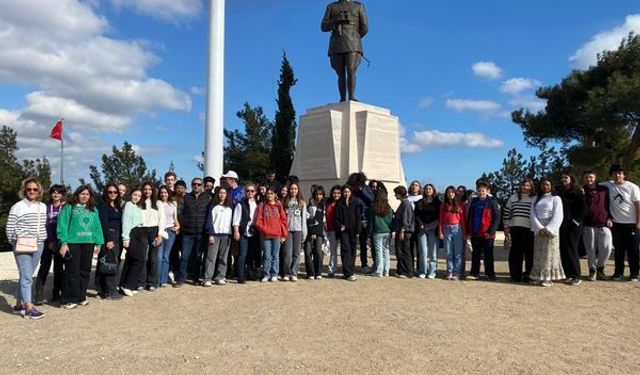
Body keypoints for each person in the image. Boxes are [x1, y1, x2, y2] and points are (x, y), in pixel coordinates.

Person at [57, 185, 104, 309]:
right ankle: (68, 299)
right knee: (72, 271)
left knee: (85, 271)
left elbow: (97, 227)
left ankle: (81, 296)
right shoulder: (69, 207)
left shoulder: (93, 209)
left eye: (87, 194)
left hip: (88, 243)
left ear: (90, 196)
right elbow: (62, 225)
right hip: (73, 243)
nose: (85, 196)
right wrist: (64, 242)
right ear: (77, 194)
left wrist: (98, 242)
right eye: (82, 193)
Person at [6, 177, 47, 319]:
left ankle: (18, 305)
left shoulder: (42, 206)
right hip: (21, 244)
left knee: (27, 275)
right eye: (29, 189)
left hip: (38, 243)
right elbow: (10, 227)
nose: (32, 191)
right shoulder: (18, 206)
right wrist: (14, 242)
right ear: (25, 190)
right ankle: (29, 307)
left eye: (35, 189)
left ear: (39, 190)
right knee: (27, 276)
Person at [321, 0, 368, 102]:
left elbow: (364, 27)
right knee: (340, 72)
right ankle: (342, 98)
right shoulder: (332, 7)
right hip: (336, 43)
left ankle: (351, 96)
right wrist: (335, 20)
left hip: (353, 42)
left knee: (351, 69)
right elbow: (323, 26)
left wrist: (354, 36)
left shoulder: (358, 6)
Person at [601, 164, 640, 281]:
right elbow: (593, 185)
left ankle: (634, 273)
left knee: (633, 250)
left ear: (624, 174)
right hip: (617, 224)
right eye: (615, 173)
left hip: (632, 224)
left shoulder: (632, 187)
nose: (617, 175)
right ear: (611, 175)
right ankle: (618, 273)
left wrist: (638, 222)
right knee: (618, 250)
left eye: (620, 173)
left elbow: (638, 206)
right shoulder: (608, 185)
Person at [34, 184, 66, 305]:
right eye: (54, 192)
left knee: (58, 268)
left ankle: (56, 294)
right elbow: (44, 224)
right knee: (44, 268)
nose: (56, 194)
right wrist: (50, 240)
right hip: (47, 241)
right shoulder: (45, 207)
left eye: (59, 192)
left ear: (62, 194)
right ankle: (38, 294)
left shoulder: (66, 207)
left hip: (60, 241)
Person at [175, 178, 211, 287]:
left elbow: (210, 214)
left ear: (202, 186)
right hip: (188, 232)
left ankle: (196, 278)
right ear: (191, 185)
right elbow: (179, 213)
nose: (196, 186)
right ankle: (181, 279)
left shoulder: (208, 198)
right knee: (185, 256)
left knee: (197, 256)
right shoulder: (185, 198)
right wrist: (184, 224)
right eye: (194, 184)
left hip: (201, 233)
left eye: (199, 184)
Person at [530, 179, 565, 287]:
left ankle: (548, 278)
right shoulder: (536, 198)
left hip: (551, 228)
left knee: (549, 254)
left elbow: (558, 215)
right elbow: (532, 213)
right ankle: (539, 276)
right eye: (543, 185)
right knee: (539, 254)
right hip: (539, 228)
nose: (545, 186)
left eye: (547, 184)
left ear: (551, 186)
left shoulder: (556, 199)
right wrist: (539, 228)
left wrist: (548, 228)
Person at [466, 181, 500, 281]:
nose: (481, 192)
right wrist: (469, 231)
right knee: (475, 254)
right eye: (479, 191)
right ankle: (474, 273)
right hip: (475, 233)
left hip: (487, 234)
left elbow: (497, 218)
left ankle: (490, 274)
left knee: (488, 255)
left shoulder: (492, 202)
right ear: (477, 191)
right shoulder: (474, 201)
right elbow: (469, 217)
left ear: (487, 191)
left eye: (483, 191)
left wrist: (491, 232)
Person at [582, 170, 613, 281]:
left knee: (607, 247)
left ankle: (600, 268)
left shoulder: (604, 190)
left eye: (591, 177)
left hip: (604, 223)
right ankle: (592, 270)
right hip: (588, 224)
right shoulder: (582, 190)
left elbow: (610, 204)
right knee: (590, 249)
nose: (589, 179)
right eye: (586, 177)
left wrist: (610, 217)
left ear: (595, 177)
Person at [557, 172, 587, 285]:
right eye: (562, 177)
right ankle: (568, 274)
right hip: (562, 225)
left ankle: (576, 275)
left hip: (574, 226)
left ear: (571, 179)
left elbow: (583, 208)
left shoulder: (578, 191)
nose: (563, 179)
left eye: (566, 177)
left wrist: (575, 221)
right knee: (563, 250)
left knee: (571, 249)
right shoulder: (560, 192)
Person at [504, 179, 536, 282]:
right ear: (520, 186)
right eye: (523, 185)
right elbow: (507, 212)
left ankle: (528, 275)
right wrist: (506, 226)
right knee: (515, 253)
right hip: (515, 227)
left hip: (529, 229)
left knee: (529, 253)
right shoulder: (513, 197)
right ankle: (515, 275)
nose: (525, 187)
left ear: (531, 187)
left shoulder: (535, 198)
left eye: (528, 185)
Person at [95, 184, 123, 300]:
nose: (113, 194)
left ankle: (103, 290)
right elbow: (104, 223)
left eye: (115, 192)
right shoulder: (103, 206)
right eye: (110, 192)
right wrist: (109, 239)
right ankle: (110, 292)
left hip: (116, 236)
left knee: (106, 262)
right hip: (109, 236)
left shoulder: (117, 206)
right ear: (106, 193)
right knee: (110, 264)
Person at [255, 186, 288, 282]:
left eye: (271, 193)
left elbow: (283, 221)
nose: (269, 195)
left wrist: (283, 235)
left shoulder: (279, 205)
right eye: (268, 193)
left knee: (275, 256)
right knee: (266, 255)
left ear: (275, 195)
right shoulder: (262, 205)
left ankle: (274, 274)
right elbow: (258, 220)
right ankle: (266, 274)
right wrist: (264, 229)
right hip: (265, 235)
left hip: (277, 235)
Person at [203, 187, 233, 286]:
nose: (222, 195)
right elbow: (209, 221)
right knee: (211, 257)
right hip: (214, 235)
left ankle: (220, 277)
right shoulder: (213, 206)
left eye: (224, 193)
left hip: (226, 235)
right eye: (220, 193)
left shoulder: (230, 207)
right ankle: (207, 278)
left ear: (227, 195)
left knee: (223, 258)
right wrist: (210, 234)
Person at [119, 188, 147, 296]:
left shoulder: (137, 206)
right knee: (138, 259)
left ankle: (123, 285)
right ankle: (127, 285)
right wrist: (125, 239)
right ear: (131, 195)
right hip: (132, 233)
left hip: (139, 232)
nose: (136, 197)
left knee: (130, 260)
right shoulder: (128, 205)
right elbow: (125, 222)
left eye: (139, 196)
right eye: (135, 194)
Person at [139, 182, 164, 291]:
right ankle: (141, 282)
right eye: (145, 189)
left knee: (153, 258)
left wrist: (160, 235)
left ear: (153, 190)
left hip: (154, 231)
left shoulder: (158, 203)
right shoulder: (139, 202)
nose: (147, 191)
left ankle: (152, 282)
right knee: (142, 257)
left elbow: (162, 219)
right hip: (141, 231)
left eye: (149, 189)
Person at [347, 172, 374, 274]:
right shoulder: (351, 190)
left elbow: (371, 199)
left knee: (363, 244)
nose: (356, 186)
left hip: (364, 220)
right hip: (353, 220)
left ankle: (364, 264)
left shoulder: (366, 189)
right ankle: (350, 264)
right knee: (351, 243)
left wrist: (361, 191)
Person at [233, 184, 260, 284]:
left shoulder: (258, 203)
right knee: (242, 255)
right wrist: (236, 231)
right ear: (245, 192)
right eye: (248, 191)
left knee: (251, 255)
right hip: (243, 232)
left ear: (255, 192)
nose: (250, 193)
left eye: (252, 191)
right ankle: (240, 276)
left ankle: (250, 274)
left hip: (254, 232)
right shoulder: (241, 204)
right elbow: (236, 219)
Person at [282, 183, 308, 281]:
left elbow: (304, 219)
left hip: (298, 230)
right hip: (287, 231)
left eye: (295, 189)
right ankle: (287, 273)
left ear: (298, 190)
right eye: (291, 189)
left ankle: (294, 273)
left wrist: (304, 233)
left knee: (296, 253)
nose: (293, 191)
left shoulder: (302, 203)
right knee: (288, 253)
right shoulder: (285, 202)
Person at [335, 184, 361, 281]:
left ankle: (350, 271)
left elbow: (358, 217)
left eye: (348, 192)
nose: (346, 193)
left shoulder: (355, 202)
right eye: (345, 192)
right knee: (346, 250)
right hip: (344, 231)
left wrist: (358, 230)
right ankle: (348, 273)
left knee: (353, 251)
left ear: (351, 192)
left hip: (353, 231)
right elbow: (336, 218)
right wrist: (339, 226)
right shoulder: (339, 204)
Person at [439, 186, 466, 280]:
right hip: (446, 229)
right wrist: (440, 232)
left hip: (457, 229)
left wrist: (464, 233)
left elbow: (462, 220)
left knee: (458, 253)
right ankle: (449, 271)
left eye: (452, 192)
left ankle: (457, 272)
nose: (450, 194)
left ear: (455, 194)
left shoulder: (460, 205)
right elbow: (441, 219)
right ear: (446, 194)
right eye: (448, 193)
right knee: (448, 252)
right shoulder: (443, 205)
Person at [415, 184, 441, 279]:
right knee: (423, 252)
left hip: (433, 230)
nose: (428, 190)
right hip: (422, 229)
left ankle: (432, 272)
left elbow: (439, 217)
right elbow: (416, 215)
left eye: (430, 189)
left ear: (433, 190)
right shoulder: (419, 202)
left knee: (433, 252)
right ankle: (423, 271)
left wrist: (431, 226)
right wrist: (421, 225)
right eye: (426, 189)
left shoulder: (438, 203)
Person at [157, 186, 180, 287]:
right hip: (160, 231)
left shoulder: (173, 203)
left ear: (168, 193)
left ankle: (163, 280)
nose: (163, 194)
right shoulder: (157, 203)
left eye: (165, 192)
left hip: (171, 231)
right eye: (161, 192)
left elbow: (175, 219)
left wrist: (178, 226)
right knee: (159, 256)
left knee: (166, 256)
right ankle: (156, 279)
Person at [369, 189, 393, 277]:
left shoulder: (373, 207)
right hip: (387, 231)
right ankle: (386, 271)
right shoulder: (389, 207)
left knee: (379, 252)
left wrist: (369, 234)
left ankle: (379, 271)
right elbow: (390, 221)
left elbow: (371, 222)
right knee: (386, 251)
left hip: (377, 231)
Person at [392, 185, 415, 278]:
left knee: (403, 251)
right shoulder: (404, 203)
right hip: (402, 231)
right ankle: (402, 270)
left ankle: (406, 271)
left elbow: (406, 219)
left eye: (396, 193)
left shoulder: (405, 203)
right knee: (402, 251)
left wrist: (402, 230)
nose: (395, 195)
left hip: (404, 232)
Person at [305, 186, 326, 280]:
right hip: (309, 233)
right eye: (317, 194)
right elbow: (309, 221)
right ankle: (310, 272)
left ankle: (318, 272)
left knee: (318, 252)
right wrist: (311, 232)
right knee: (308, 252)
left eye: (320, 194)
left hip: (319, 233)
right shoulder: (309, 206)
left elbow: (322, 221)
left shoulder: (323, 206)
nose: (318, 196)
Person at [326, 185, 342, 278]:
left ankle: (332, 269)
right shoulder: (328, 202)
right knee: (332, 250)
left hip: (337, 229)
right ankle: (332, 268)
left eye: (338, 193)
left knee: (335, 250)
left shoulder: (342, 203)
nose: (336, 195)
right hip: (328, 228)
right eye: (335, 193)